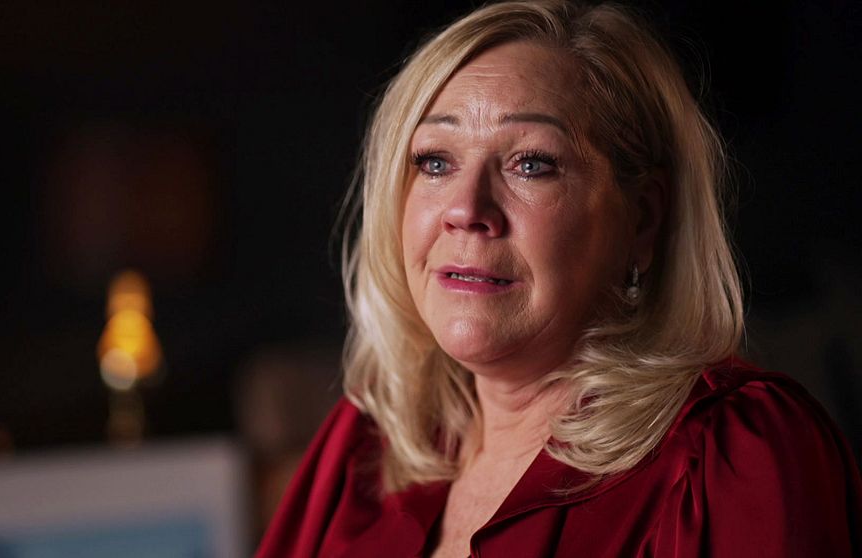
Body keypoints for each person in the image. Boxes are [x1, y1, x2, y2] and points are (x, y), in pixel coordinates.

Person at [256, 1, 862, 556]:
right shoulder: (363, 445)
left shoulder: (734, 452)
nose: (465, 209)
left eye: (532, 164)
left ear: (642, 220)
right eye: (435, 162)